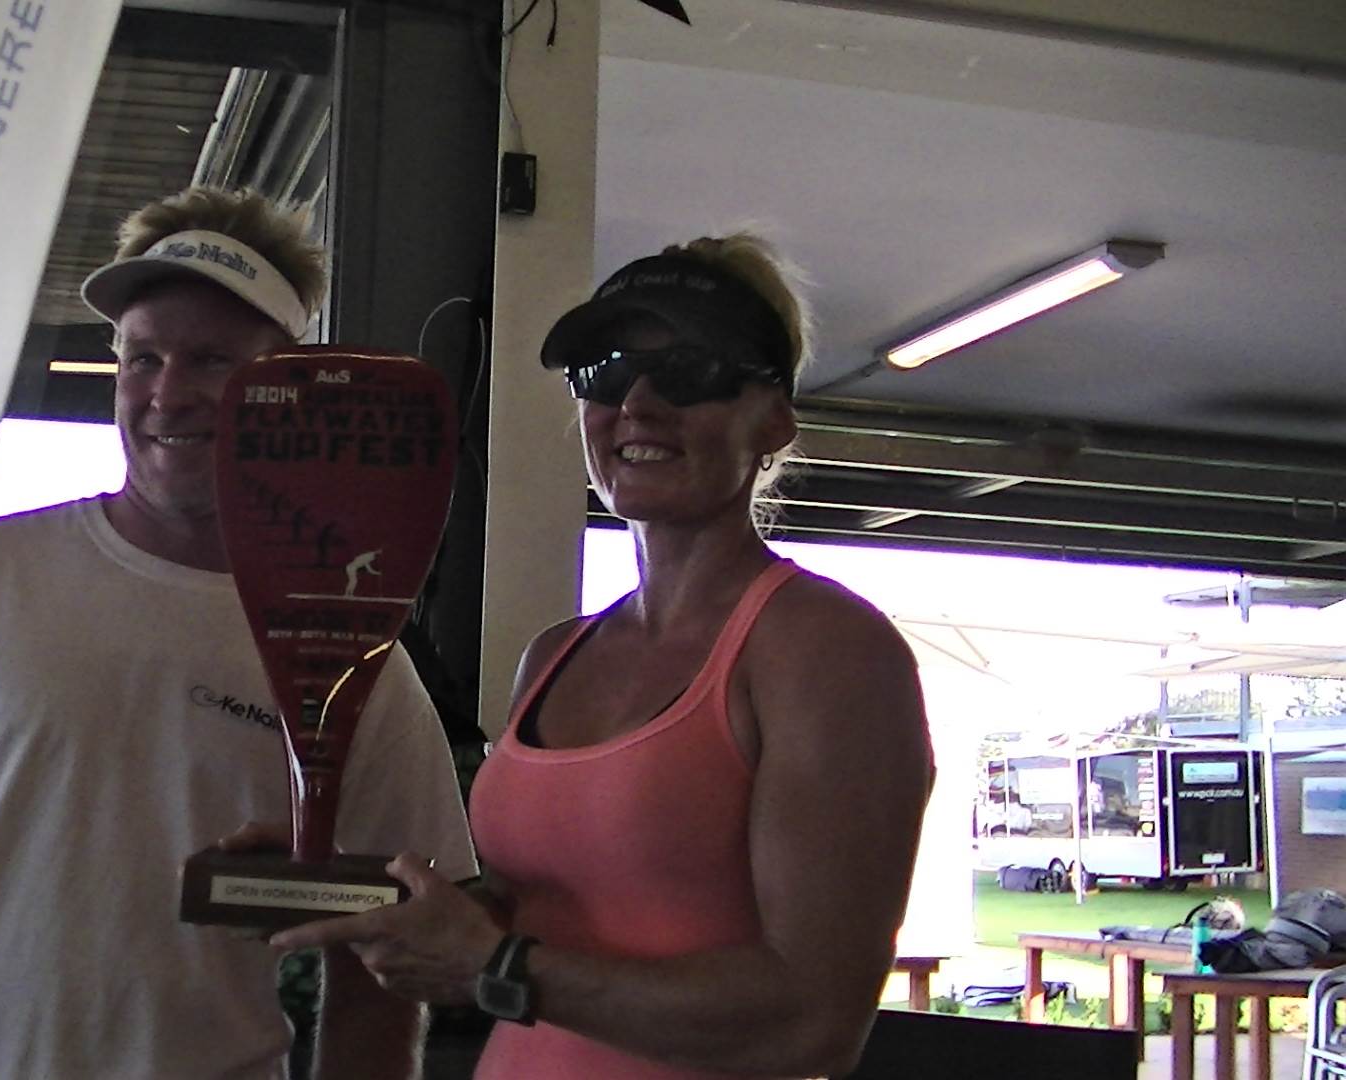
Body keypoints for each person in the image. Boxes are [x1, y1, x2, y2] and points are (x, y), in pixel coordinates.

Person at [0, 187, 476, 1080]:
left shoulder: (352, 658)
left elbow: (381, 973)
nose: (167, 394)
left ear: (283, 385)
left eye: (212, 360)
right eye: (143, 358)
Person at [271, 235, 934, 1079]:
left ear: (774, 418)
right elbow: (541, 922)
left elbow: (812, 1025)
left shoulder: (825, 650)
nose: (639, 404)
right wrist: (339, 884)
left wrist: (498, 968)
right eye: (607, 373)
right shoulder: (557, 654)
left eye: (690, 372)